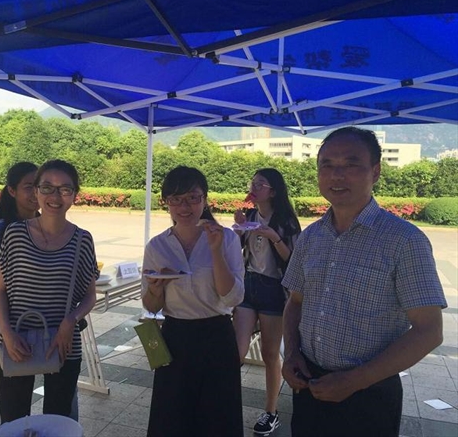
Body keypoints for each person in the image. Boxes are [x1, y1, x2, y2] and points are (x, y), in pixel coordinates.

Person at [282, 127, 446, 437]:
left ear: (376, 171)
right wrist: (291, 353)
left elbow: (429, 331)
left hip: (370, 392)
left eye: (351, 163)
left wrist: (355, 380)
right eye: (327, 164)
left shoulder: (404, 240)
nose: (337, 174)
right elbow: (296, 302)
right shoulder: (311, 237)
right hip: (308, 383)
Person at [141, 165, 245, 437]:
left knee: (218, 419)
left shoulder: (226, 239)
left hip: (217, 335)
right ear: (166, 202)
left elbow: (233, 297)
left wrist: (215, 251)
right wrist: (156, 290)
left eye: (192, 198)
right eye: (176, 199)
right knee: (171, 419)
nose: (184, 207)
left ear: (205, 199)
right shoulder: (157, 246)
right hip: (175, 336)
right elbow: (151, 306)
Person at [0, 159, 97, 423]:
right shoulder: (15, 234)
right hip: (17, 340)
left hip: (63, 343)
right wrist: (7, 332)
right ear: (37, 191)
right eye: (47, 187)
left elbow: (89, 295)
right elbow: (0, 290)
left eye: (65, 189)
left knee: (57, 421)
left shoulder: (82, 239)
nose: (55, 196)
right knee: (13, 421)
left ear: (74, 195)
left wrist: (70, 321)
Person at [232, 168, 301, 435]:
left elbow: (293, 260)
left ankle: (271, 412)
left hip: (274, 289)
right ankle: (223, 403)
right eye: (253, 184)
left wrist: (274, 236)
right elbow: (236, 249)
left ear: (272, 191)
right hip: (249, 285)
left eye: (260, 184)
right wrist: (239, 228)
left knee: (270, 354)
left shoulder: (286, 221)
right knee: (236, 351)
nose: (254, 188)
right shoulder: (250, 216)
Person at [0, 161, 39, 357]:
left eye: (40, 186)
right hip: (12, 320)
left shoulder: (49, 226)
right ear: (12, 191)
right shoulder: (0, 229)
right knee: (16, 367)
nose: (36, 193)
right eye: (28, 187)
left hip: (47, 318)